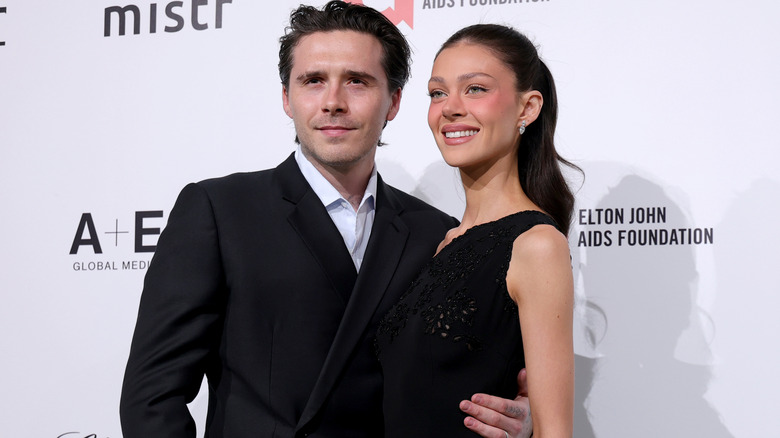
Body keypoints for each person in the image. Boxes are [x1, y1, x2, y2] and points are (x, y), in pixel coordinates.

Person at [119, 3, 534, 437]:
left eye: (357, 81)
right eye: (313, 81)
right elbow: (152, 397)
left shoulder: (435, 232)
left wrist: (523, 418)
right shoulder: (220, 210)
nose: (333, 102)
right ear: (287, 98)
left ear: (392, 101)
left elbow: (458, 375)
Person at [376, 24, 576, 437]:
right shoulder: (441, 241)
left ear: (528, 108)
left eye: (476, 89)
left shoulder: (536, 245)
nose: (449, 108)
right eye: (437, 93)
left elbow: (556, 431)